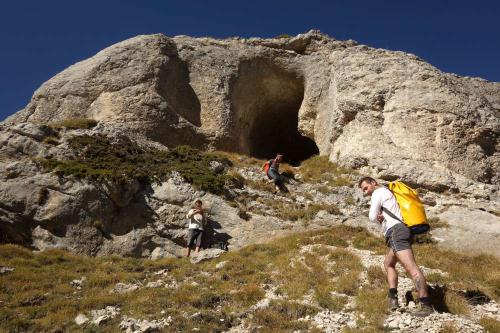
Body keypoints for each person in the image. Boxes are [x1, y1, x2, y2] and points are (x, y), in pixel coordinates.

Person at [358, 176, 434, 317]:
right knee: (388, 263)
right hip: (403, 230)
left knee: (410, 267)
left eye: (366, 188)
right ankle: (393, 298)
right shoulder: (388, 192)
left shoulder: (378, 192)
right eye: (363, 190)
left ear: (373, 183)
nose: (366, 192)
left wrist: (377, 218)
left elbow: (371, 216)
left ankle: (426, 304)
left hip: (395, 232)